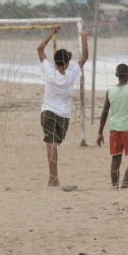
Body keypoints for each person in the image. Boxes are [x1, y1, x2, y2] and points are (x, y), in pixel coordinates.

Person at [38, 24, 89, 187]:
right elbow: (84, 58)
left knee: (51, 143)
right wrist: (84, 38)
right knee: (53, 142)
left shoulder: (50, 71)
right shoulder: (71, 73)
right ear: (66, 63)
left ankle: (53, 177)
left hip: (47, 112)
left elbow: (39, 49)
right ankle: (53, 178)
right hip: (63, 115)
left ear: (56, 62)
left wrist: (51, 32)